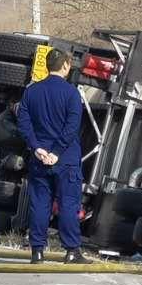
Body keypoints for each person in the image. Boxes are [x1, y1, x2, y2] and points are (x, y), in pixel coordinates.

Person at [16, 48, 87, 264]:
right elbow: (72, 126)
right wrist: (56, 152)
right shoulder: (72, 93)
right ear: (65, 66)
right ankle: (72, 251)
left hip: (39, 158)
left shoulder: (31, 91)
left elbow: (24, 123)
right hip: (65, 159)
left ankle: (37, 251)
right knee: (68, 204)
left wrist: (36, 147)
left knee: (39, 204)